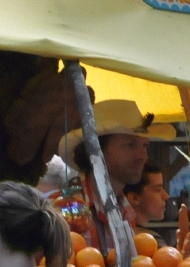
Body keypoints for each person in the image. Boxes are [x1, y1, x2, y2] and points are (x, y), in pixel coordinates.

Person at [60, 100, 176, 252]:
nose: (143, 156)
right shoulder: (62, 211)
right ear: (96, 150)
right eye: (129, 145)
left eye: (144, 146)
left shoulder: (126, 212)